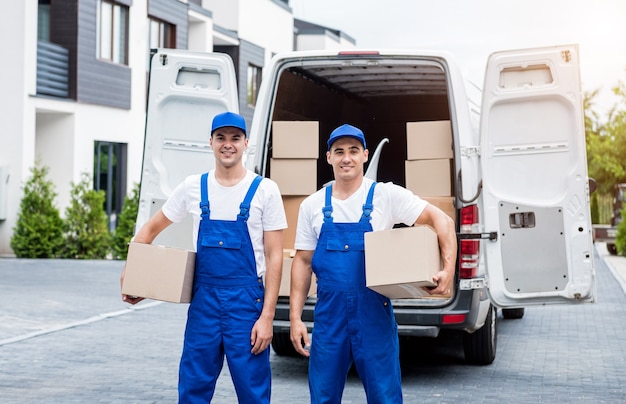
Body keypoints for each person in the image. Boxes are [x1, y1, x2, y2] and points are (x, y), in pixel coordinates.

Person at [120, 112, 287, 403]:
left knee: (253, 392)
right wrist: (132, 274)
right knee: (193, 388)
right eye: (221, 138)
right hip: (204, 305)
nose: (228, 144)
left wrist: (267, 317)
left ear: (246, 143)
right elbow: (149, 229)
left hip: (247, 306)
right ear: (210, 142)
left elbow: (275, 257)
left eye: (235, 138)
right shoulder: (193, 187)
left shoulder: (265, 190)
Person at [289, 123, 457, 403]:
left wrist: (448, 269)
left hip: (373, 316)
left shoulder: (386, 196)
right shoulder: (313, 205)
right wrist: (295, 318)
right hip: (329, 319)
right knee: (323, 396)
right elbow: (303, 262)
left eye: (353, 151)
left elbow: (443, 220)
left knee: (385, 397)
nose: (346, 158)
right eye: (339, 151)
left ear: (365, 155)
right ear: (328, 157)